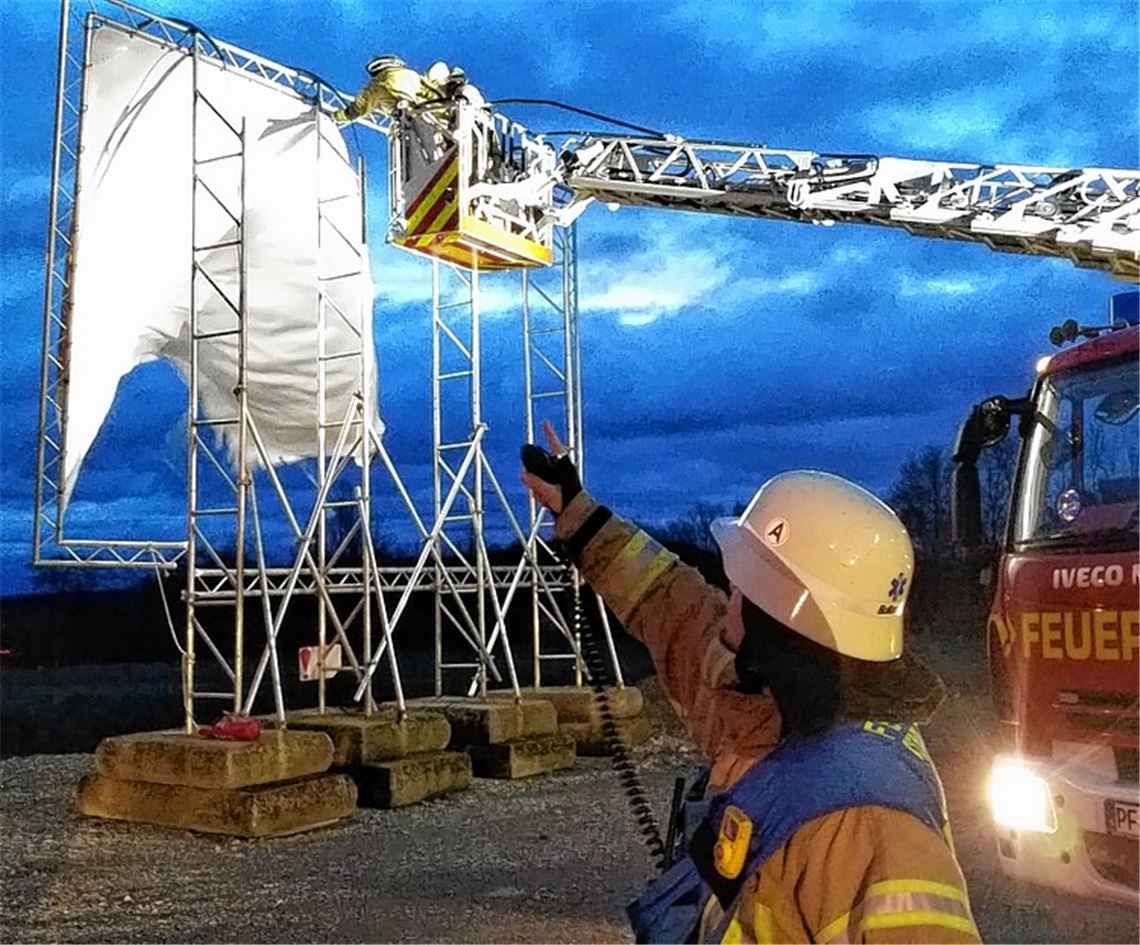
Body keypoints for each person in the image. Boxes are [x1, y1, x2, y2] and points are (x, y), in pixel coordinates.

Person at [521, 421, 980, 944]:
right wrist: (579, 517)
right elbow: (674, 606)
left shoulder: (866, 815)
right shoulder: (766, 709)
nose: (726, 600)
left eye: (742, 587)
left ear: (780, 619)